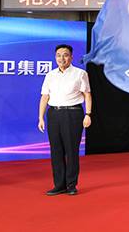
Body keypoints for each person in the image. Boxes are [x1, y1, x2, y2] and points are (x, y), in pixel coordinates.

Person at [37, 44, 92, 196]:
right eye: (59, 55)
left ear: (71, 57)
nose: (62, 58)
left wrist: (88, 114)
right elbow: (45, 96)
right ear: (55, 57)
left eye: (65, 55)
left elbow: (87, 94)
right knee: (56, 150)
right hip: (54, 114)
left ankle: (71, 185)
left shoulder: (80, 74)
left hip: (73, 114)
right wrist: (41, 117)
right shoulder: (50, 75)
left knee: (71, 150)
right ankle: (59, 185)